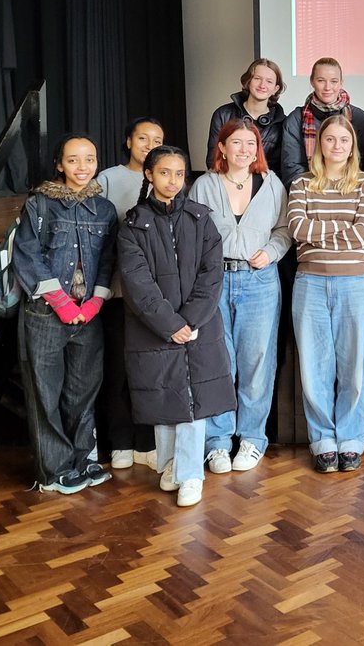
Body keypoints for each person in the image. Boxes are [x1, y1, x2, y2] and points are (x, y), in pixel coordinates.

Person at [118, 145, 233, 508]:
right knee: (163, 395)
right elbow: (137, 283)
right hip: (153, 328)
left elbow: (212, 275)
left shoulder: (201, 219)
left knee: (194, 400)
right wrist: (169, 324)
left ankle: (190, 474)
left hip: (199, 326)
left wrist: (191, 320)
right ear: (149, 175)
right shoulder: (133, 226)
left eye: (179, 174)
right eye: (164, 172)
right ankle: (170, 466)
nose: (173, 181)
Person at [12, 133, 117, 494]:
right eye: (73, 160)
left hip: (88, 316)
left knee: (83, 392)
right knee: (45, 393)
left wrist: (93, 304)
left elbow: (108, 260)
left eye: (89, 159)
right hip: (45, 314)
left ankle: (83, 460)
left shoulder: (104, 210)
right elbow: (27, 256)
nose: (82, 167)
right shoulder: (40, 205)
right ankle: (55, 470)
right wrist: (62, 304)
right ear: (59, 164)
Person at [189, 118, 292, 474]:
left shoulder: (272, 184)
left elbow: (284, 230)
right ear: (222, 147)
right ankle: (217, 442)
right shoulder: (203, 186)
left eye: (251, 144)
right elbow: (191, 235)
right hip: (214, 283)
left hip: (259, 281)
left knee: (257, 363)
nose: (244, 150)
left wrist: (272, 252)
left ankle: (251, 439)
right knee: (218, 362)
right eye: (236, 142)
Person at [286, 114, 364, 473]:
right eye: (330, 139)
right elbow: (297, 228)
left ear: (352, 145)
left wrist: (319, 234)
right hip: (310, 283)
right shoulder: (301, 184)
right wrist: (341, 229)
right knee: (314, 367)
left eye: (344, 139)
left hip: (357, 283)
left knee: (354, 367)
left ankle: (351, 440)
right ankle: (323, 440)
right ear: (318, 144)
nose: (337, 145)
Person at [95, 116, 164, 471]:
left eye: (157, 140)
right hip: (118, 292)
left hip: (155, 298)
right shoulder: (108, 179)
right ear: (128, 141)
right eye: (142, 138)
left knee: (149, 370)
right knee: (118, 369)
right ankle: (120, 441)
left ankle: (146, 442)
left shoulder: (165, 177)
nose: (149, 145)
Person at [282, 57, 364, 182]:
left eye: (334, 81)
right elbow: (291, 168)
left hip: (350, 188)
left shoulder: (359, 118)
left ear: (341, 83)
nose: (327, 87)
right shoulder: (296, 119)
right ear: (312, 82)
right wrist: (318, 190)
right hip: (308, 189)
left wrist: (343, 189)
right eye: (321, 81)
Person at [206, 58, 286, 180]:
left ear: (275, 89)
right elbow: (213, 160)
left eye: (269, 81)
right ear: (248, 81)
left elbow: (282, 167)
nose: (262, 85)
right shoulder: (223, 114)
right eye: (257, 78)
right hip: (227, 181)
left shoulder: (283, 123)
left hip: (266, 184)